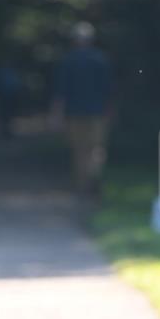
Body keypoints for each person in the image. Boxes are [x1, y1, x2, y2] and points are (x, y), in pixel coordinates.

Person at [51, 22, 114, 197]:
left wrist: (56, 115)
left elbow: (61, 92)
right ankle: (94, 176)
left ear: (75, 40)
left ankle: (82, 184)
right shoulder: (101, 59)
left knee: (79, 149)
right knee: (97, 148)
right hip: (98, 112)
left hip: (74, 112)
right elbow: (108, 90)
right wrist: (110, 111)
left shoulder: (68, 60)